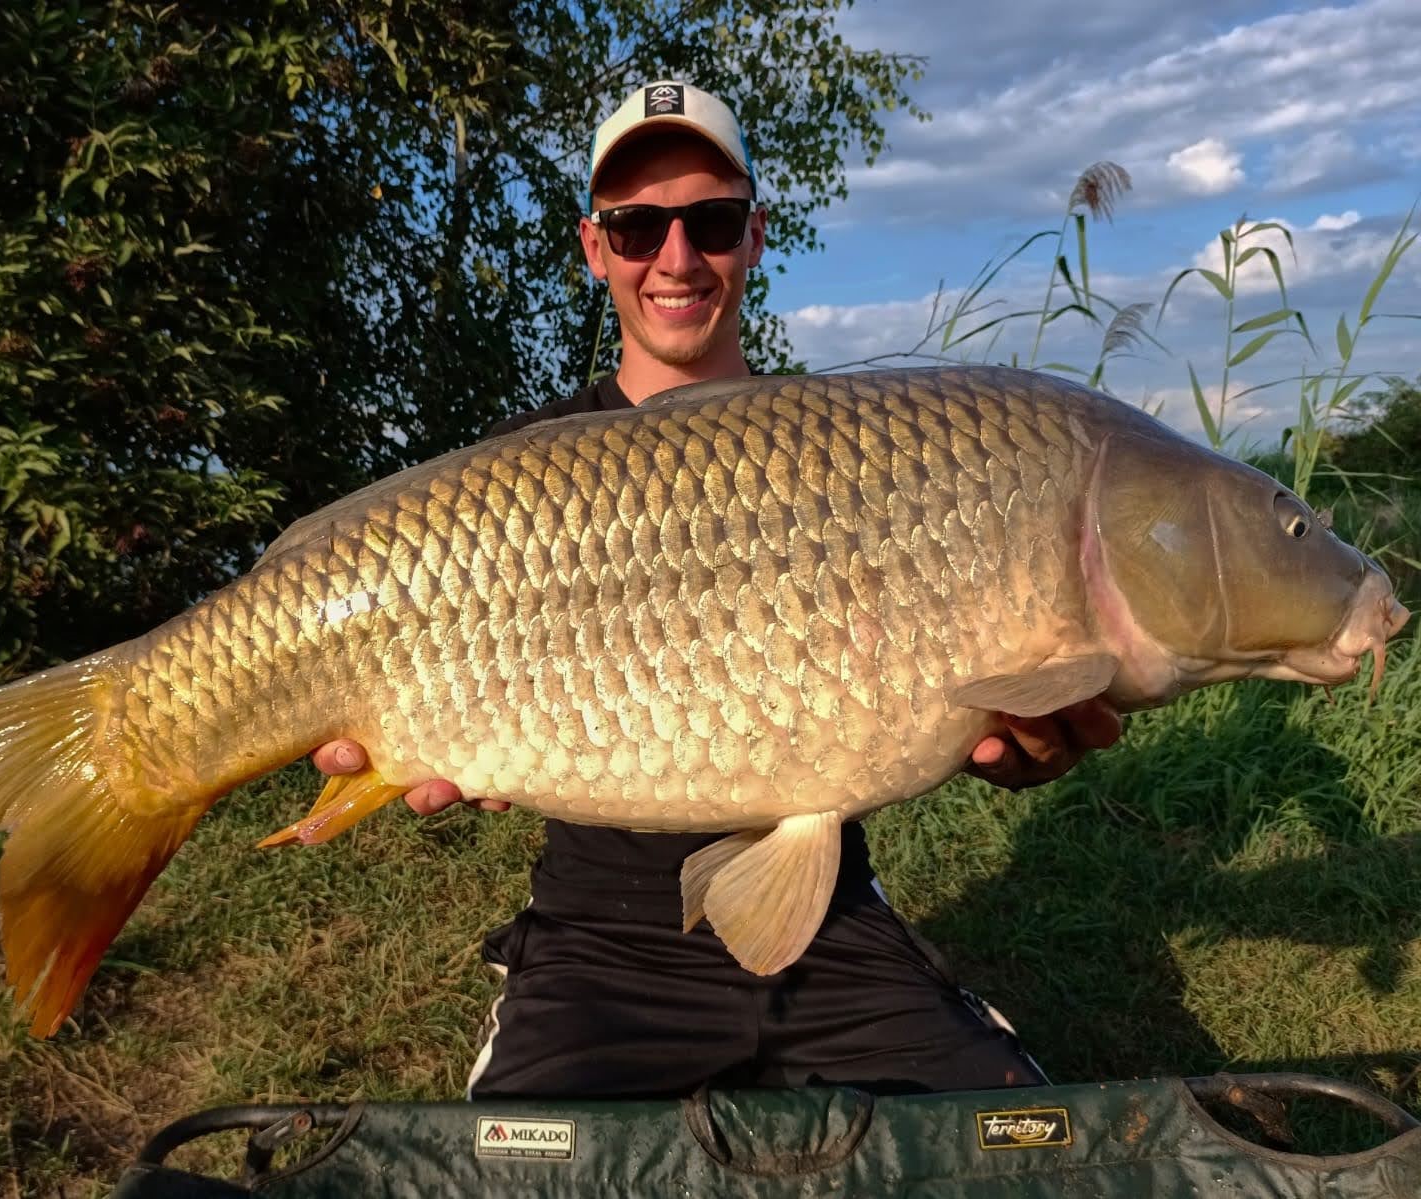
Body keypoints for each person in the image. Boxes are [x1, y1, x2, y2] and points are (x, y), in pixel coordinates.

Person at [312, 81, 1123, 1100]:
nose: (677, 257)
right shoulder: (517, 476)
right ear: (594, 246)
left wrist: (1021, 742)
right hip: (592, 942)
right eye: (638, 226)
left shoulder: (858, 446)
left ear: (754, 236)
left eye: (713, 221)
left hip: (828, 914)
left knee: (1008, 1149)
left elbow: (968, 688)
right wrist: (396, 737)